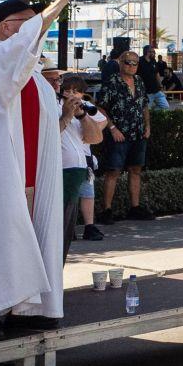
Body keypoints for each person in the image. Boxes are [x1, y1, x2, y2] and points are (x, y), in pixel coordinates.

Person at [0, 0, 76, 341]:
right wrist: (58, 3)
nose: (37, 32)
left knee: (33, 235)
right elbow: (24, 45)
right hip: (4, 170)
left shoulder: (38, 79)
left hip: (33, 171)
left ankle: (30, 307)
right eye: (29, 24)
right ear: (6, 28)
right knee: (2, 237)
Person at [93, 46, 153, 222]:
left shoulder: (140, 81)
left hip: (138, 132)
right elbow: (100, 107)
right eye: (128, 62)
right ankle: (106, 210)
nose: (132, 66)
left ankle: (134, 207)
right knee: (113, 171)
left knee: (136, 169)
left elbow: (144, 105)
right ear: (120, 63)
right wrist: (112, 128)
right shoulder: (111, 82)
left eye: (135, 63)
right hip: (119, 133)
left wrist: (147, 126)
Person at [58, 73, 106, 245]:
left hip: (82, 160)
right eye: (67, 90)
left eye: (76, 91)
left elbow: (98, 130)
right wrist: (67, 114)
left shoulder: (84, 106)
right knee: (67, 199)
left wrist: (83, 116)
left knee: (86, 193)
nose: (71, 94)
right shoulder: (55, 105)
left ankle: (88, 226)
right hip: (62, 164)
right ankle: (66, 230)